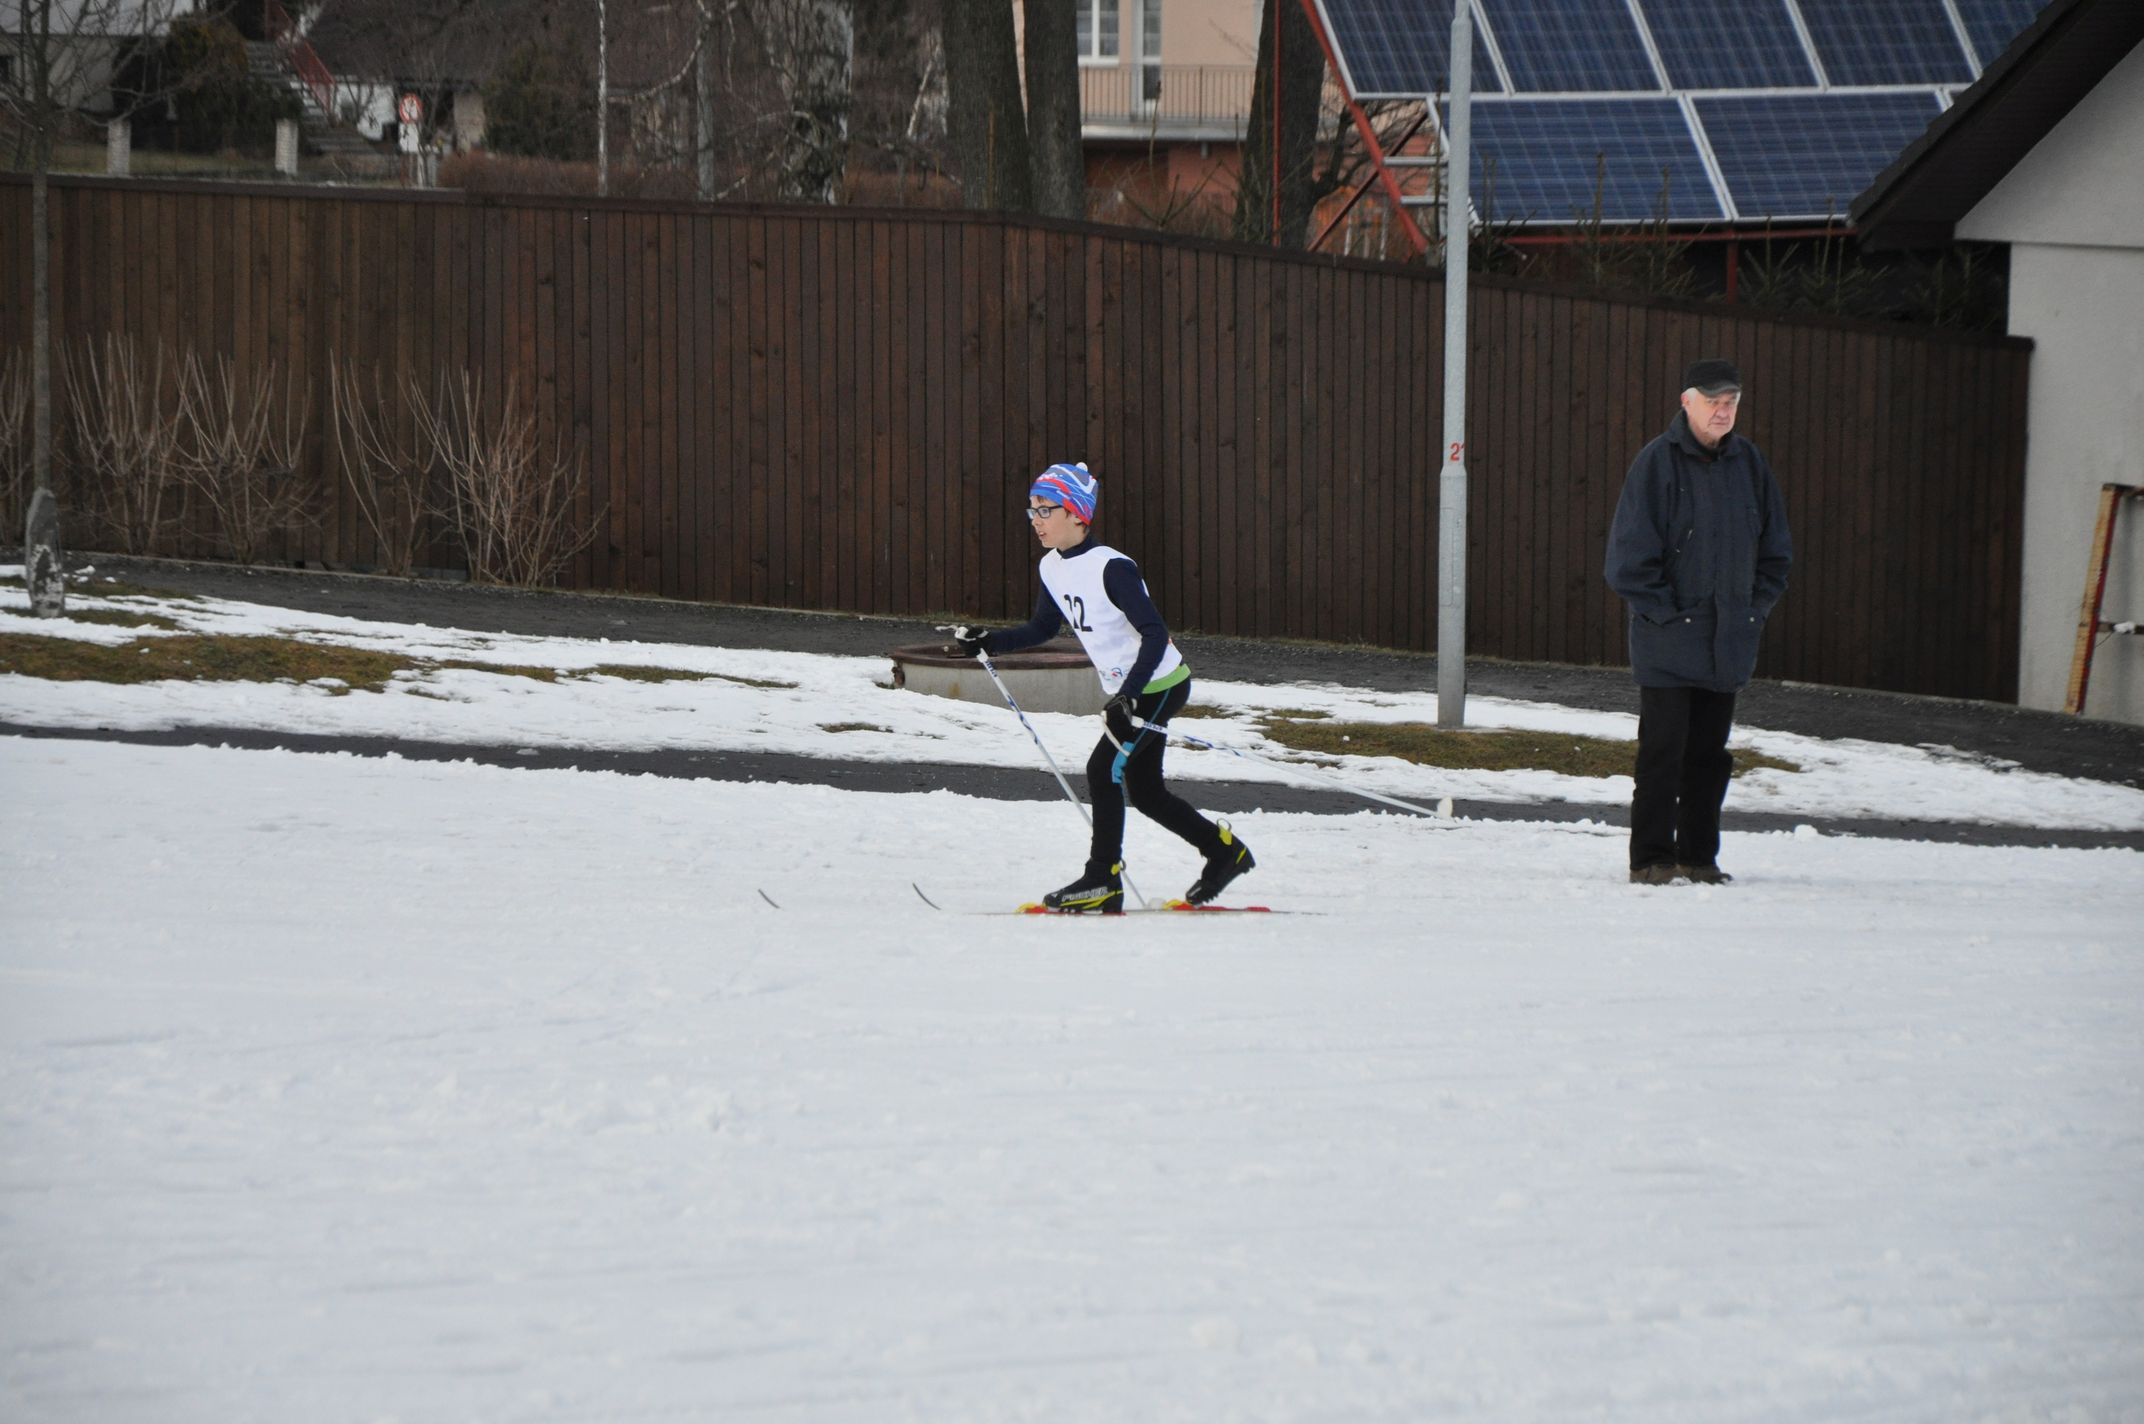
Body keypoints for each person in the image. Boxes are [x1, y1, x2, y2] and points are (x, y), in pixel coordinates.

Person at [950, 462, 1253, 912]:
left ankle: (1102, 879)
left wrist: (1128, 695)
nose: (1035, 519)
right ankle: (1225, 852)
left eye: (1045, 509)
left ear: (1076, 514)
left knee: (1102, 769)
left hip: (1159, 684)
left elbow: (1154, 633)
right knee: (1146, 793)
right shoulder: (1052, 566)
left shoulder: (1112, 567)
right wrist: (988, 642)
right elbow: (1042, 628)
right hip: (1131, 691)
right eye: (1031, 510)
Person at [1604, 359, 1793, 886]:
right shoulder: (1656, 463)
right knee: (1663, 754)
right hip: (1668, 641)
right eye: (1713, 401)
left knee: (1710, 757)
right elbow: (1627, 561)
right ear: (1687, 401)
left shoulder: (1749, 464)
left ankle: (1698, 857)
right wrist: (1667, 614)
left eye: (1731, 402)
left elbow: (1775, 552)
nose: (1723, 411)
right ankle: (1651, 859)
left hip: (1728, 641)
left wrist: (1753, 609)